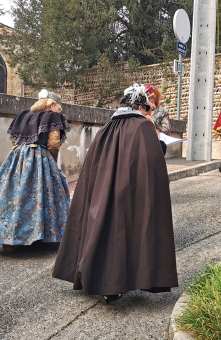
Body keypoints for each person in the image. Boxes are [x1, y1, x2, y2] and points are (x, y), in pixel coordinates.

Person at [52, 83, 178, 304]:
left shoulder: (105, 128)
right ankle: (127, 279)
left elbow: (93, 166)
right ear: (140, 107)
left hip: (104, 188)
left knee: (104, 228)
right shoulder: (143, 127)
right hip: (132, 189)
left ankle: (103, 281)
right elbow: (152, 163)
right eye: (145, 109)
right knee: (131, 230)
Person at [0, 89, 70, 249]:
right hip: (40, 156)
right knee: (41, 195)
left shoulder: (23, 115)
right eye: (58, 107)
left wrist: (22, 156)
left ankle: (9, 237)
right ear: (52, 104)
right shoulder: (53, 116)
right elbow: (53, 143)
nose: (59, 111)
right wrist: (50, 161)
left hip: (17, 157)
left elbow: (15, 141)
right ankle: (41, 235)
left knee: (13, 195)